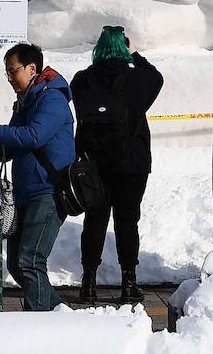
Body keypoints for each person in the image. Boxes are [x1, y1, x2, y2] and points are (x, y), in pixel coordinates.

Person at [0, 42, 75, 312]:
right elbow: (8, 149)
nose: (10, 78)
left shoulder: (52, 98)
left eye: (13, 72)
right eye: (7, 73)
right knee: (16, 263)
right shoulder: (25, 102)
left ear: (32, 68)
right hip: (24, 192)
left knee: (30, 259)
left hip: (48, 191)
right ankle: (60, 314)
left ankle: (38, 325)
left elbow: (34, 136)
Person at [71, 25, 165, 304]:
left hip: (94, 164)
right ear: (124, 47)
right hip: (131, 162)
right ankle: (129, 283)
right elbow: (156, 78)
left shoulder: (82, 80)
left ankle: (88, 283)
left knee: (94, 221)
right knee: (127, 221)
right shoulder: (137, 79)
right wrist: (134, 55)